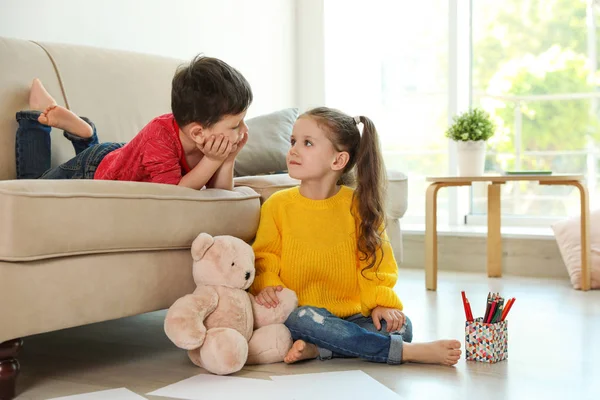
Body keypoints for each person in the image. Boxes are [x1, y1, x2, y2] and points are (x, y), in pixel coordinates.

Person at [250, 107, 462, 366]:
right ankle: (406, 352)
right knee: (300, 319)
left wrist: (381, 304)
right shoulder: (277, 205)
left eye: (307, 143)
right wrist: (269, 284)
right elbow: (265, 255)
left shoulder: (358, 206)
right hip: (307, 315)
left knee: (401, 326)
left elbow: (376, 263)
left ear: (338, 161)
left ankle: (321, 349)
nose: (293, 149)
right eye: (293, 141)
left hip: (354, 316)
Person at [15, 55, 252, 190]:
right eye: (235, 125)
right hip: (92, 169)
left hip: (124, 159)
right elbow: (175, 196)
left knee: (117, 163)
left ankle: (84, 134)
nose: (243, 130)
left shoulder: (206, 141)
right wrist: (213, 160)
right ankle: (36, 121)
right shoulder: (160, 137)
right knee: (33, 189)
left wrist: (226, 160)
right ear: (198, 133)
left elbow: (220, 196)